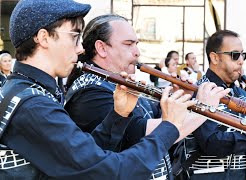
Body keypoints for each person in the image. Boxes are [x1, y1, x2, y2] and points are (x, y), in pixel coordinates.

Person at [0, 0, 225, 179]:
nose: (80, 49)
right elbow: (109, 171)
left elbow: (86, 156)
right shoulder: (33, 104)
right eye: (75, 37)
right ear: (43, 38)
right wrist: (170, 126)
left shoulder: (28, 92)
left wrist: (118, 116)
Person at [64, 14, 230, 180]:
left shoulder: (118, 82)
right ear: (101, 48)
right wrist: (203, 108)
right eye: (128, 44)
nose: (137, 52)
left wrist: (183, 98)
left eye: (136, 44)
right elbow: (147, 134)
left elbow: (161, 118)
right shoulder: (91, 92)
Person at [173, 30, 246, 180]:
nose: (241, 61)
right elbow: (213, 144)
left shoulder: (242, 94)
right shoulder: (199, 92)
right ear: (215, 57)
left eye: (243, 55)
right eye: (235, 55)